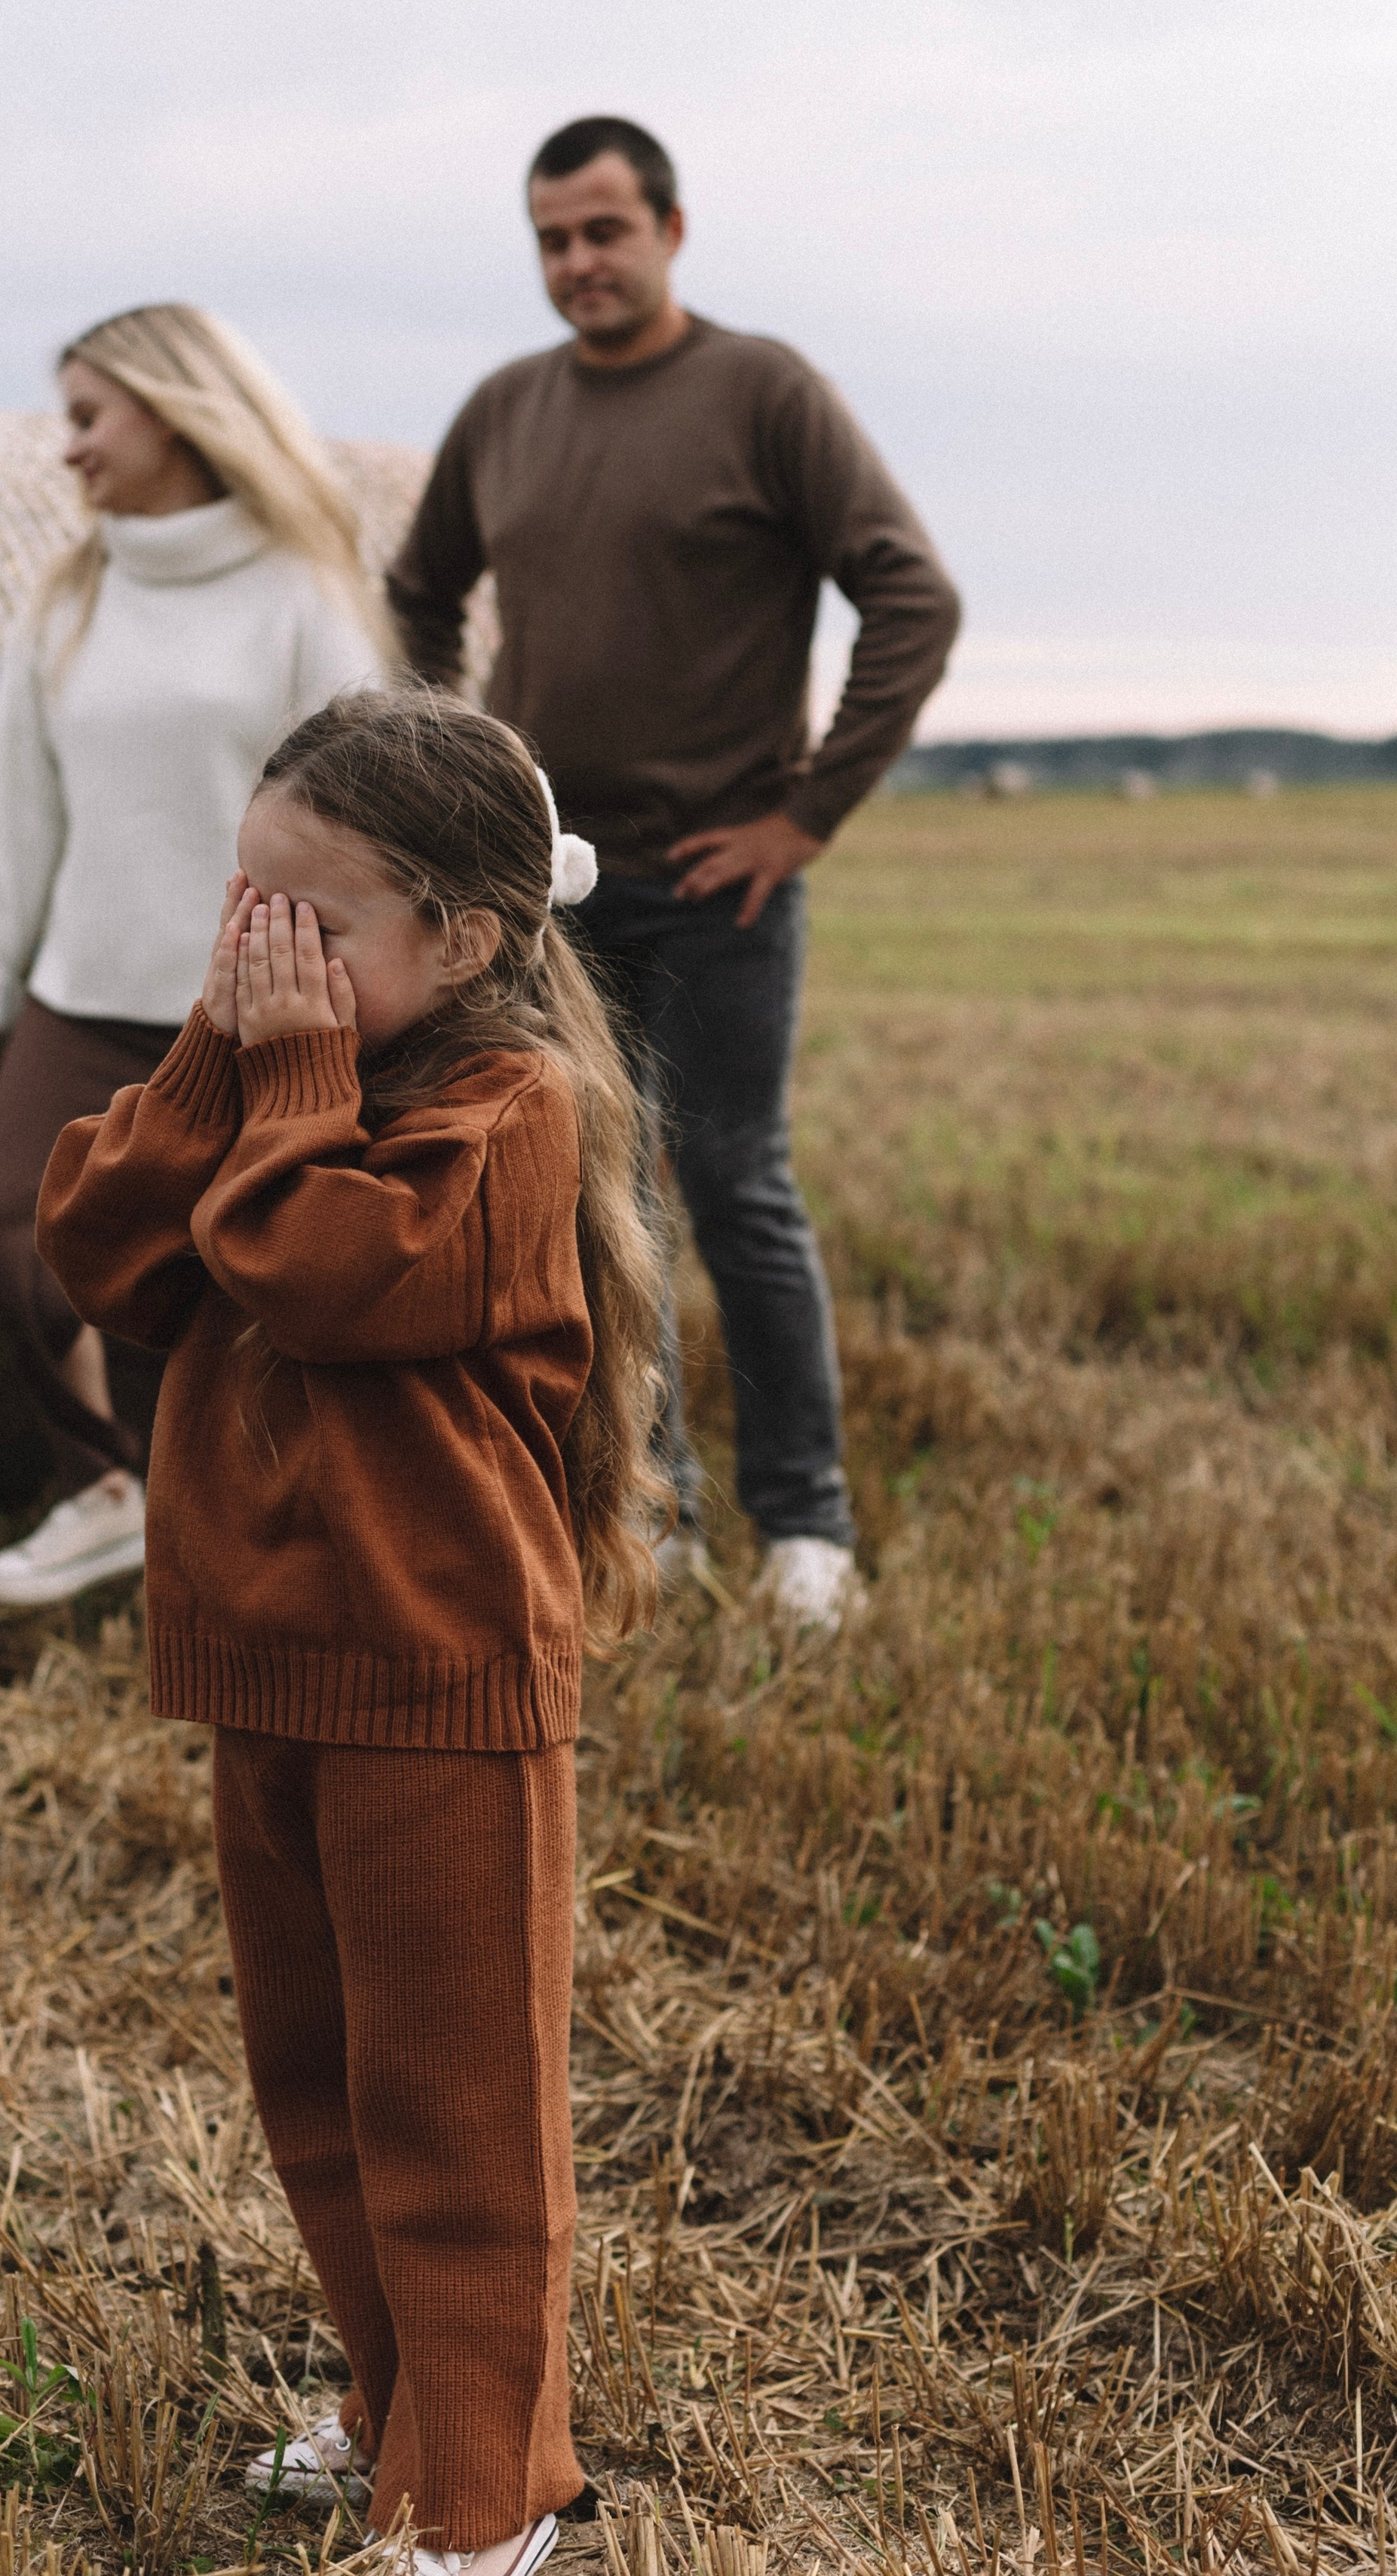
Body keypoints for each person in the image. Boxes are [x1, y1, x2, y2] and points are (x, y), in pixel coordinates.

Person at [35, 689, 662, 2576]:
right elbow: (105, 1251)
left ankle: (488, 2490)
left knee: (451, 2100)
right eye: (249, 904)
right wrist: (234, 1061)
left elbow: (314, 1273)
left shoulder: (503, 1118)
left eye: (313, 924)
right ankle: (398, 2405)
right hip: (275, 1666)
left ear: (464, 941)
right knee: (318, 2085)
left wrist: (280, 1078)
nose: (263, 951)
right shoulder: (296, 1083)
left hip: (437, 1672)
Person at [386, 116, 962, 1629]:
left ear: (669, 230)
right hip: (548, 899)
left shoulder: (761, 392)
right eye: (550, 240)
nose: (576, 262)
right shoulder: (502, 409)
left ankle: (804, 1529)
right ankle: (655, 1513)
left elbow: (910, 597)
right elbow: (419, 591)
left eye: (602, 232)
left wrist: (806, 813)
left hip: (722, 884)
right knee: (586, 1204)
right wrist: (462, 771)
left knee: (732, 1187)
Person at [0, 302, 388, 1607]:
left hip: (250, 998)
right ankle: (105, 1489)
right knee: (15, 1232)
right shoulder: (73, 593)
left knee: (231, 1274)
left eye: (84, 417)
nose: (65, 449)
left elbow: (363, 792)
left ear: (170, 411)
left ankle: (225, 1526)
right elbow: (18, 807)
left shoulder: (299, 588)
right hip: (80, 986)